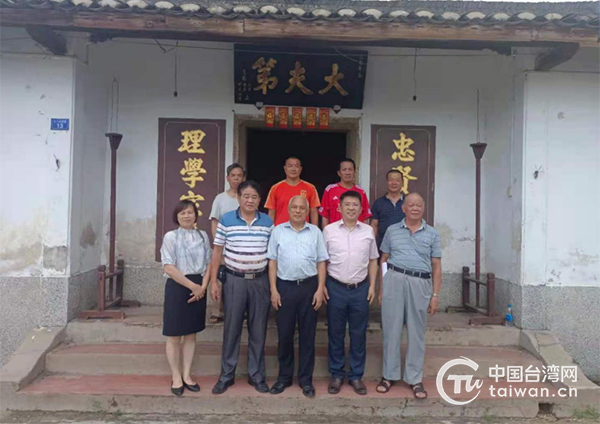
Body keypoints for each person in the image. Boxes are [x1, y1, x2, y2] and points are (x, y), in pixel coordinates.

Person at [209, 181, 274, 395]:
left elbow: (272, 255)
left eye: (254, 197)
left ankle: (257, 376)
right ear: (238, 198)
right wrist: (214, 281)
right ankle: (226, 376)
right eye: (246, 196)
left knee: (258, 330)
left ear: (259, 200)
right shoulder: (227, 220)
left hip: (260, 281)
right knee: (232, 329)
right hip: (234, 280)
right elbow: (217, 251)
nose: (249, 200)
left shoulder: (267, 222)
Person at [377, 192, 442, 399]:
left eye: (419, 205)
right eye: (411, 205)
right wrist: (382, 288)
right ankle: (389, 375)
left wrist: (435, 295)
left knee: (416, 333)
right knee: (391, 330)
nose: (415, 208)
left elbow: (436, 266)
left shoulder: (432, 234)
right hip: (394, 280)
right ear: (403, 208)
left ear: (423, 208)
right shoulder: (392, 230)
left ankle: (414, 379)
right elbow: (384, 259)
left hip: (420, 283)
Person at [267, 196, 329, 398]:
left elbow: (321, 262)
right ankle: (284, 377)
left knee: (307, 335)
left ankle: (306, 380)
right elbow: (272, 262)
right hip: (284, 287)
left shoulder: (315, 232)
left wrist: (320, 288)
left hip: (309, 288)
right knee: (284, 334)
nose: (298, 210)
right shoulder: (278, 231)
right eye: (294, 207)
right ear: (288, 209)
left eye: (302, 208)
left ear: (307, 211)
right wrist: (273, 289)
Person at [323, 190, 379, 395]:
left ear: (361, 208)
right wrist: (322, 286)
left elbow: (373, 260)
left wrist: (372, 286)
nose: (351, 208)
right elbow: (322, 260)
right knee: (335, 332)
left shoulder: (368, 231)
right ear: (339, 207)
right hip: (335, 287)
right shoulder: (328, 231)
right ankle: (337, 374)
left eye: (355, 205)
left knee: (358, 333)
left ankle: (356, 376)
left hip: (360, 289)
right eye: (347, 204)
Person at [160, 200, 212, 396]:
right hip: (178, 286)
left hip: (199, 286)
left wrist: (203, 286)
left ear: (196, 215)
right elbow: (168, 267)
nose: (187, 216)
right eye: (182, 213)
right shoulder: (170, 237)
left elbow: (209, 262)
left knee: (191, 334)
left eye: (190, 212)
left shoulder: (203, 235)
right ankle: (176, 375)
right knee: (174, 335)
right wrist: (193, 287)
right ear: (177, 216)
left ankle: (187, 375)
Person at [208, 163, 245, 324]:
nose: (236, 178)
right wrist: (219, 244)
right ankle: (217, 311)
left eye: (239, 176)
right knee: (220, 277)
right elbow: (214, 221)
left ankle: (241, 311)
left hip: (242, 247)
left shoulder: (246, 198)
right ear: (227, 178)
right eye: (233, 176)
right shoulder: (220, 198)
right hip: (224, 245)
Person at [265, 156, 320, 226]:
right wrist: (270, 230)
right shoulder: (275, 188)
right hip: (280, 230)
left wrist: (314, 230)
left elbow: (313, 212)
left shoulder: (310, 188)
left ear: (300, 169)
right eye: (290, 166)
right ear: (285, 168)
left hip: (303, 230)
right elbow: (271, 212)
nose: (293, 169)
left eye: (296, 166)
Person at [319, 158, 371, 228]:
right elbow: (325, 215)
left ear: (354, 172)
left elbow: (365, 216)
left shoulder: (361, 191)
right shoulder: (330, 190)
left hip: (356, 231)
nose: (347, 172)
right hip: (335, 231)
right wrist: (326, 232)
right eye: (344, 170)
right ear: (339, 173)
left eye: (350, 169)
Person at [370, 169, 406, 248]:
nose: (394, 183)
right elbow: (374, 225)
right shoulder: (378, 203)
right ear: (386, 182)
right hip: (383, 245)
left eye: (397, 180)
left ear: (402, 182)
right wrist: (372, 245)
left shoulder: (408, 202)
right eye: (391, 180)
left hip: (404, 246)